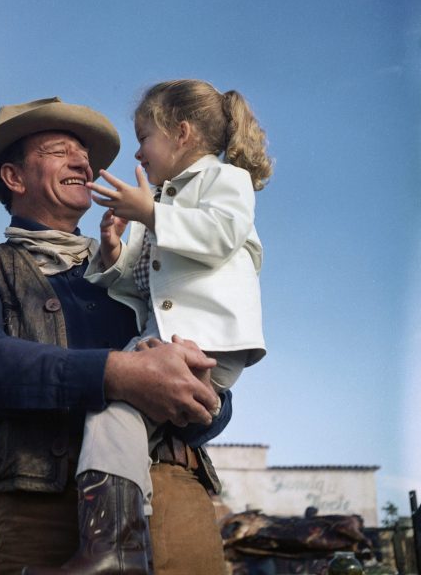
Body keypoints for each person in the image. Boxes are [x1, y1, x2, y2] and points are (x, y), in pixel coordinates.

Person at [0, 96, 233, 575]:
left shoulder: (140, 264)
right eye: (58, 150)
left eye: (84, 154)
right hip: (42, 507)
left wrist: (205, 396)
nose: (82, 161)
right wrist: (117, 373)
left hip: (176, 499)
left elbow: (205, 366)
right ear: (14, 177)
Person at [40, 78, 273, 572]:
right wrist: (114, 254)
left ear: (181, 133)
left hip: (210, 340)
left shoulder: (222, 181)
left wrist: (151, 211)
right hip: (172, 337)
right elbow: (142, 286)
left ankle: (113, 548)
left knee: (110, 409)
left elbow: (220, 236)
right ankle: (116, 542)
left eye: (144, 137)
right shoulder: (162, 203)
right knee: (113, 417)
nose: (139, 153)